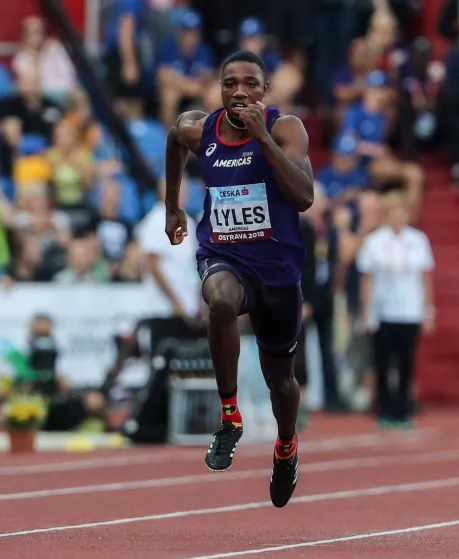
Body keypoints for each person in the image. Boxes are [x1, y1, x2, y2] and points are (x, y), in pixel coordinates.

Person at [164, 50, 314, 508]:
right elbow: (174, 139)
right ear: (220, 88)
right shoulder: (200, 128)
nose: (240, 91)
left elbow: (304, 196)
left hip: (277, 271)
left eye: (250, 83)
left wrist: (263, 138)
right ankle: (230, 417)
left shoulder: (286, 128)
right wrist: (173, 203)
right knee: (221, 300)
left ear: (264, 91)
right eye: (231, 83)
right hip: (224, 255)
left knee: (281, 381)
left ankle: (286, 447)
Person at [356, 191, 435, 429]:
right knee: (382, 361)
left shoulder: (419, 239)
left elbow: (425, 276)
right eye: (393, 213)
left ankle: (402, 409)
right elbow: (366, 278)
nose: (398, 217)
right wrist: (366, 310)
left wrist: (429, 309)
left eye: (402, 213)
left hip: (410, 309)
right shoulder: (374, 240)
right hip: (383, 309)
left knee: (405, 362)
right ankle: (384, 408)